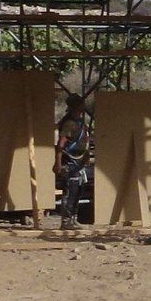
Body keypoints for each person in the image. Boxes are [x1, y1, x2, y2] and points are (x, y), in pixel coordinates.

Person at [53, 93, 91, 229]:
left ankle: (73, 219)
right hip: (69, 161)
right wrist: (58, 162)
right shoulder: (69, 123)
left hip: (78, 161)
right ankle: (66, 220)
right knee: (70, 190)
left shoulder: (80, 121)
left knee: (78, 190)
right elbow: (61, 143)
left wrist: (86, 156)